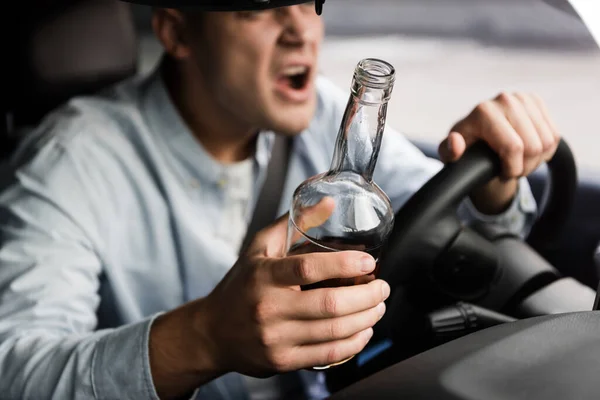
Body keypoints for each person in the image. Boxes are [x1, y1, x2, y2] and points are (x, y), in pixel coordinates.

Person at [0, 4, 560, 400]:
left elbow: (447, 225)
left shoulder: (323, 115)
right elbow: (13, 368)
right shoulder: (70, 161)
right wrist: (203, 338)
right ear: (176, 31)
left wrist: (494, 185)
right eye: (256, 8)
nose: (301, 30)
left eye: (308, 0)